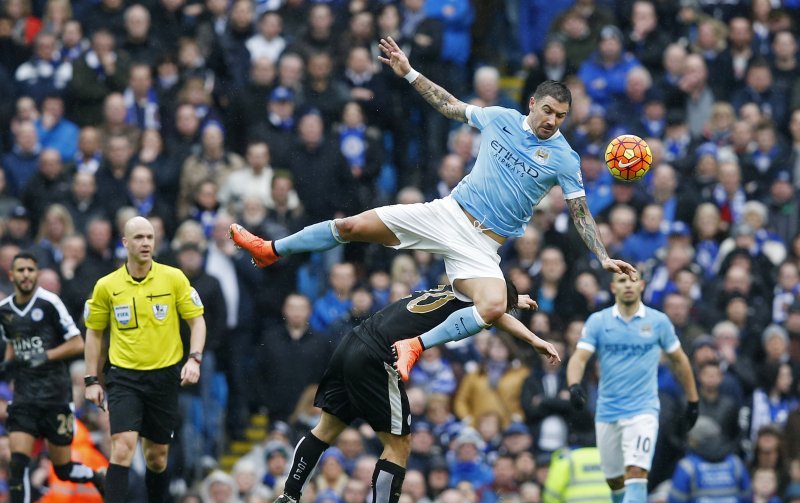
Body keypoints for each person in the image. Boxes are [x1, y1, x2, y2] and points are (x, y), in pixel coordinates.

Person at [230, 37, 636, 382]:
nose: (552, 121)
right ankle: (270, 249)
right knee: (351, 225)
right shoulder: (500, 118)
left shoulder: (564, 157)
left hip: (482, 244)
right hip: (447, 213)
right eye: (548, 110)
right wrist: (408, 71)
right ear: (533, 103)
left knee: (493, 305)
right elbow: (449, 106)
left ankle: (415, 345)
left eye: (561, 116)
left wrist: (601, 257)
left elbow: (580, 211)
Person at [269, 280, 560, 503]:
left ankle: (288, 498)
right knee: (398, 445)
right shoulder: (478, 305)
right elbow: (492, 311)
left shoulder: (453, 286)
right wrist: (534, 338)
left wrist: (512, 298)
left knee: (327, 428)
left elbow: (492, 302)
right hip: (378, 355)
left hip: (353, 343)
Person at [83, 216, 207, 503]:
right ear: (125, 243)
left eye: (150, 237)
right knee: (122, 447)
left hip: (164, 376)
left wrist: (194, 358)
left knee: (156, 457)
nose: (146, 243)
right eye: (138, 237)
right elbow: (94, 333)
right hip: (124, 376)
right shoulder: (106, 286)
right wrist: (91, 380)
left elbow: (197, 320)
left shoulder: (174, 278)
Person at [566, 272, 699, 503]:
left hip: (643, 410)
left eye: (632, 280)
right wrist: (574, 386)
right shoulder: (599, 321)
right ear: (613, 287)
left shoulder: (658, 322)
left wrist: (693, 400)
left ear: (642, 286)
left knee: (637, 473)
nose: (628, 285)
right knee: (615, 482)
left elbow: (680, 360)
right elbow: (579, 357)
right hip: (607, 411)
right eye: (622, 281)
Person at [1, 252, 104, 503]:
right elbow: (13, 342)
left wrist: (45, 355)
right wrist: (7, 365)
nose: (25, 275)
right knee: (17, 463)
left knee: (63, 469)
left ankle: (96, 476)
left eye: (30, 270)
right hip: (24, 396)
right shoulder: (5, 311)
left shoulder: (50, 303)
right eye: (20, 270)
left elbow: (77, 342)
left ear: (35, 275)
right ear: (11, 275)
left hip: (55, 396)